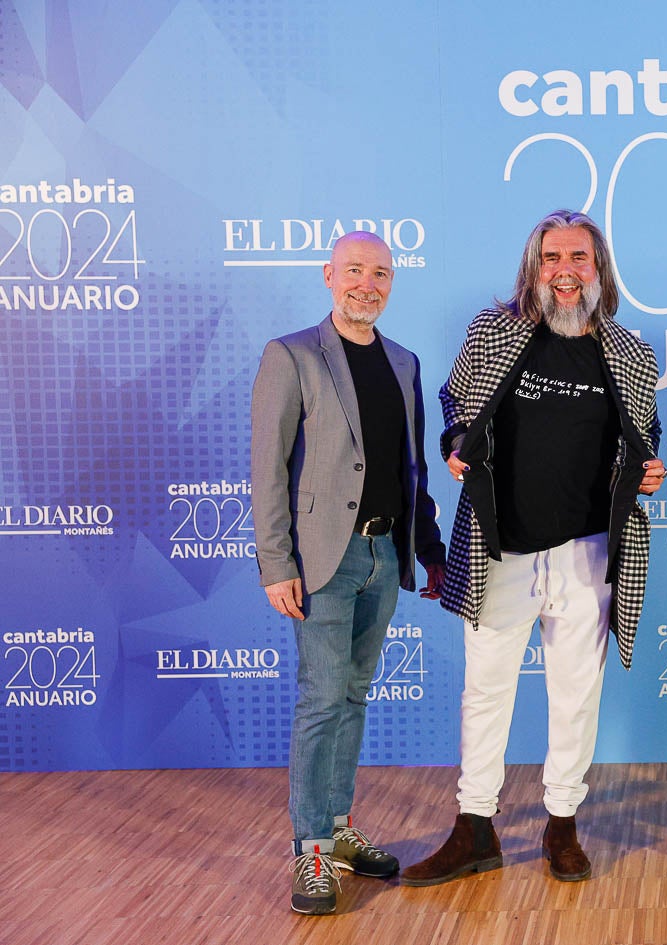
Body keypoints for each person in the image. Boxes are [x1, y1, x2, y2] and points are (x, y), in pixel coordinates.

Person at [401, 210, 664, 887]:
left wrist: (649, 468)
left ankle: (562, 824)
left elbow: (644, 437)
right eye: (551, 256)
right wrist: (456, 442)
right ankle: (474, 826)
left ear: (598, 268)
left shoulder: (632, 353)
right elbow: (457, 403)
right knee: (484, 691)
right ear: (534, 267)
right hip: (501, 547)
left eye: (578, 255)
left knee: (575, 694)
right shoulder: (494, 331)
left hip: (589, 550)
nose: (565, 269)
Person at [251, 230, 447, 915]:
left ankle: (337, 828)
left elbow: (409, 466)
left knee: (355, 697)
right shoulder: (292, 355)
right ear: (328, 274)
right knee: (320, 698)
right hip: (320, 562)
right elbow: (268, 468)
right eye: (356, 271)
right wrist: (276, 562)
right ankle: (308, 848)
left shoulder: (404, 361)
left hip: (384, 556)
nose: (368, 283)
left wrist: (427, 547)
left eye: (381, 273)